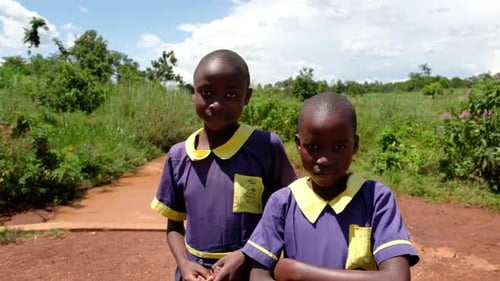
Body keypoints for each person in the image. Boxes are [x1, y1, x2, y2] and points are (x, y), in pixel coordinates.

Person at [150, 49, 297, 281]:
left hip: (250, 271)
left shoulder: (265, 146)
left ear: (247, 97)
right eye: (207, 92)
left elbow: (289, 211)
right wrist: (184, 264)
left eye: (230, 94)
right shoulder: (179, 157)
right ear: (192, 93)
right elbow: (174, 225)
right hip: (195, 275)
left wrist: (245, 255)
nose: (217, 104)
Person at [241, 92, 420, 281]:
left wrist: (299, 272)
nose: (325, 159)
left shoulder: (376, 199)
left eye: (339, 147)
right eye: (313, 147)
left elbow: (397, 277)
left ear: (355, 145)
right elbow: (259, 273)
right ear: (298, 144)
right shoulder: (283, 202)